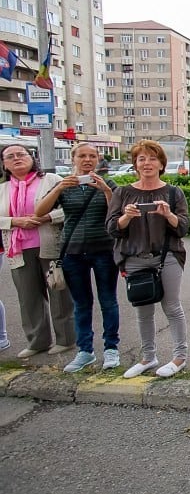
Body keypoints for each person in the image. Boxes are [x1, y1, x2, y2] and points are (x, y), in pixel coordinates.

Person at [106, 140, 190, 379]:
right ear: (135, 164)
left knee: (172, 306)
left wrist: (168, 214)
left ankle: (179, 356)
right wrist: (126, 217)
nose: (147, 163)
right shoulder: (122, 193)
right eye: (141, 159)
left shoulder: (173, 192)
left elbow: (183, 227)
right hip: (133, 257)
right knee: (143, 310)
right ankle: (148, 356)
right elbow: (112, 228)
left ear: (162, 163)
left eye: (152, 158)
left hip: (167, 256)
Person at [35, 143, 120, 372]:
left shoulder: (107, 183)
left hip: (103, 249)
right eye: (82, 156)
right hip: (72, 251)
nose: (87, 160)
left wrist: (105, 190)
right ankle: (85, 351)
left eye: (92, 156)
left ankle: (111, 348)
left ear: (98, 159)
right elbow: (39, 212)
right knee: (81, 304)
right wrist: (59, 188)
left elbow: (117, 213)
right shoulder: (65, 184)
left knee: (108, 300)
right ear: (73, 158)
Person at [0, 144, 75, 358]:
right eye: (10, 156)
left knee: (59, 292)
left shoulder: (51, 181)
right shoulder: (2, 189)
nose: (16, 159)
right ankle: (37, 342)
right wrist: (15, 221)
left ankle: (66, 339)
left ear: (32, 158)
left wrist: (47, 217)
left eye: (21, 154)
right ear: (4, 164)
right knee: (28, 297)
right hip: (18, 250)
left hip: (50, 245)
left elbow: (70, 207)